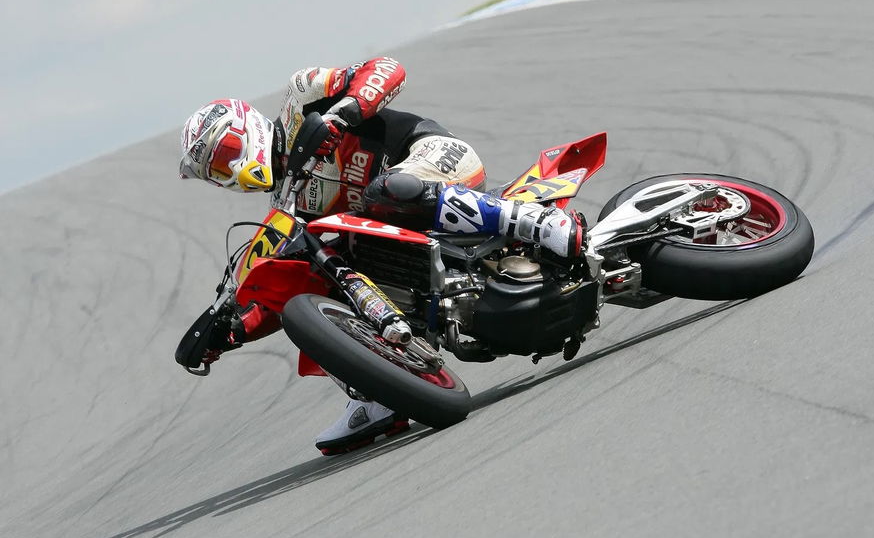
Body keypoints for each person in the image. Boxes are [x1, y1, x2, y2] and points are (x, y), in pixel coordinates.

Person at [178, 57, 585, 455]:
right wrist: (234, 330)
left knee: (384, 191)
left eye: (227, 154)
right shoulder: (288, 205)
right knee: (318, 271)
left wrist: (342, 115)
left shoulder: (301, 97)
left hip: (427, 158)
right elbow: (286, 286)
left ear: (248, 128)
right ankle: (379, 391)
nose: (230, 173)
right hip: (402, 235)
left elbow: (387, 69)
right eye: (217, 174)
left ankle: (532, 222)